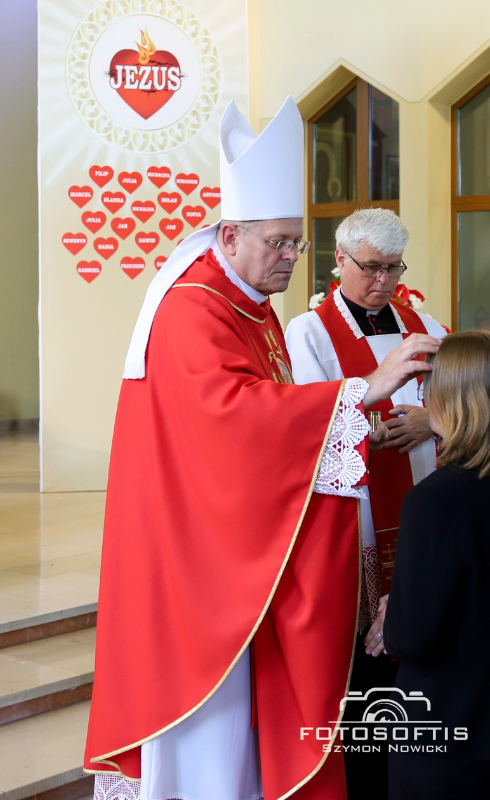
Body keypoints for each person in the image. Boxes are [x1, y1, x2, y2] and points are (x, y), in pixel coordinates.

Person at [84, 97, 439, 800]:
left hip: (236, 537)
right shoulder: (194, 307)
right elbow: (235, 421)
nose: (289, 259)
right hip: (198, 556)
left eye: (296, 244)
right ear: (231, 233)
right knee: (211, 729)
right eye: (278, 243)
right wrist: (363, 391)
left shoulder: (249, 299)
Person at [286, 208, 447, 799]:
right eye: (371, 267)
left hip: (425, 502)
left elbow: (462, 399)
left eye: (394, 268)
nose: (383, 281)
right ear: (339, 260)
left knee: (422, 651)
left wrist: (431, 421)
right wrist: (366, 432)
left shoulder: (424, 325)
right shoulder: (309, 333)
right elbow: (307, 419)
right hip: (356, 516)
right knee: (366, 662)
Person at [365, 330, 490, 800]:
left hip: (444, 733)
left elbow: (412, 637)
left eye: (427, 386)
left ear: (449, 398)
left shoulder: (434, 500)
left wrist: (395, 610)